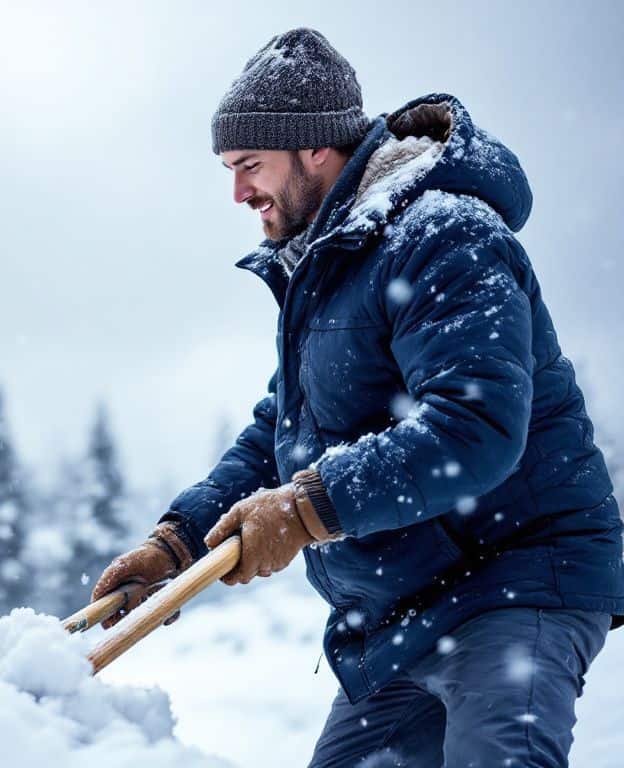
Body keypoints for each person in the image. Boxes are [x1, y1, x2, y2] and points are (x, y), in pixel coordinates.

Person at [92, 28, 623, 767]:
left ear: (316, 149)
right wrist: (176, 543)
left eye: (250, 166)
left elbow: (475, 427)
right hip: (405, 615)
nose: (238, 193)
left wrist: (308, 506)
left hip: (518, 579)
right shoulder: (331, 264)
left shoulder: (446, 236)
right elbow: (278, 438)